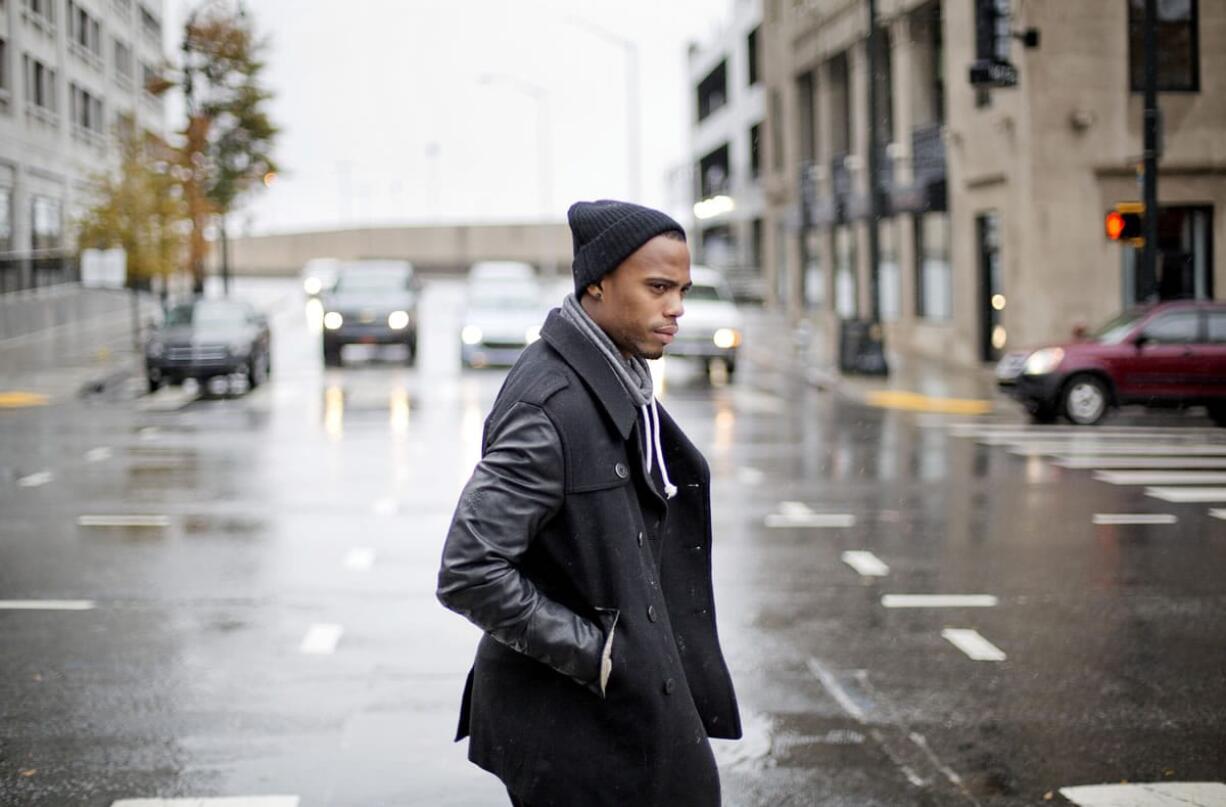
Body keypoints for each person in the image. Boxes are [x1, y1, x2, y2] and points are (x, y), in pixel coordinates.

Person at [437, 199, 741, 807]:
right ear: (596, 283)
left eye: (680, 288)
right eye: (657, 287)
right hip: (577, 727)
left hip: (620, 713)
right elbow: (469, 570)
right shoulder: (550, 405)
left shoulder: (617, 374)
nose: (676, 307)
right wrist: (598, 656)